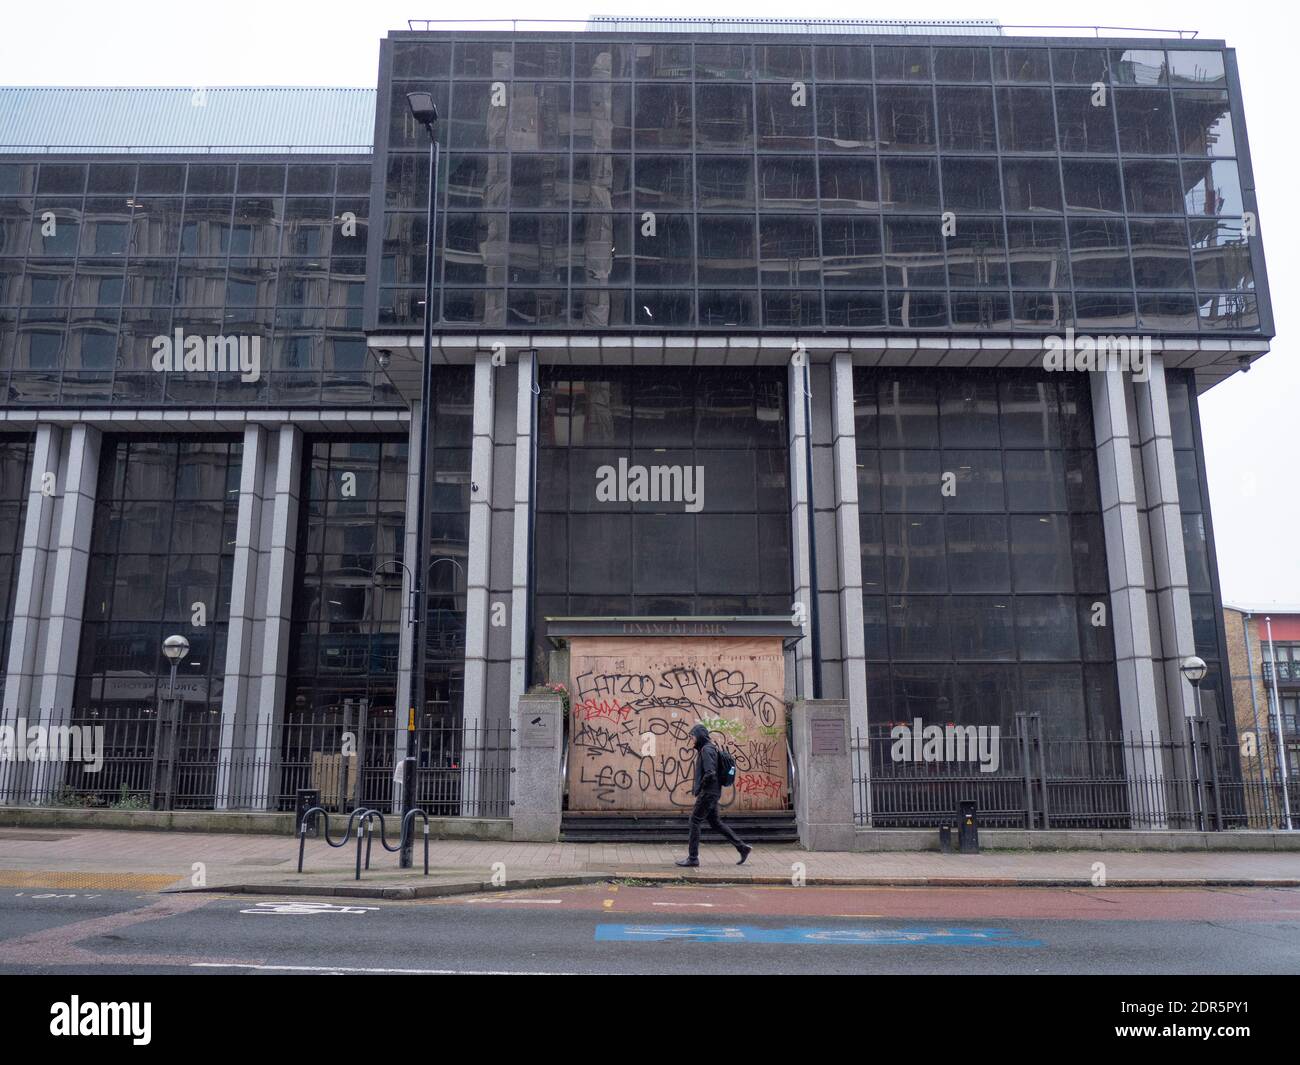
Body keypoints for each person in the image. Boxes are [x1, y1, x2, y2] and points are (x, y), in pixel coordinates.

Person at [676, 723, 752, 867]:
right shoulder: (711, 748)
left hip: (708, 793)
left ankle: (693, 858)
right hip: (713, 792)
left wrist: (702, 789)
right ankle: (742, 848)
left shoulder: (706, 750)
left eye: (692, 736)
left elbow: (710, 773)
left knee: (694, 821)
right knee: (715, 823)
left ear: (698, 736)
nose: (691, 740)